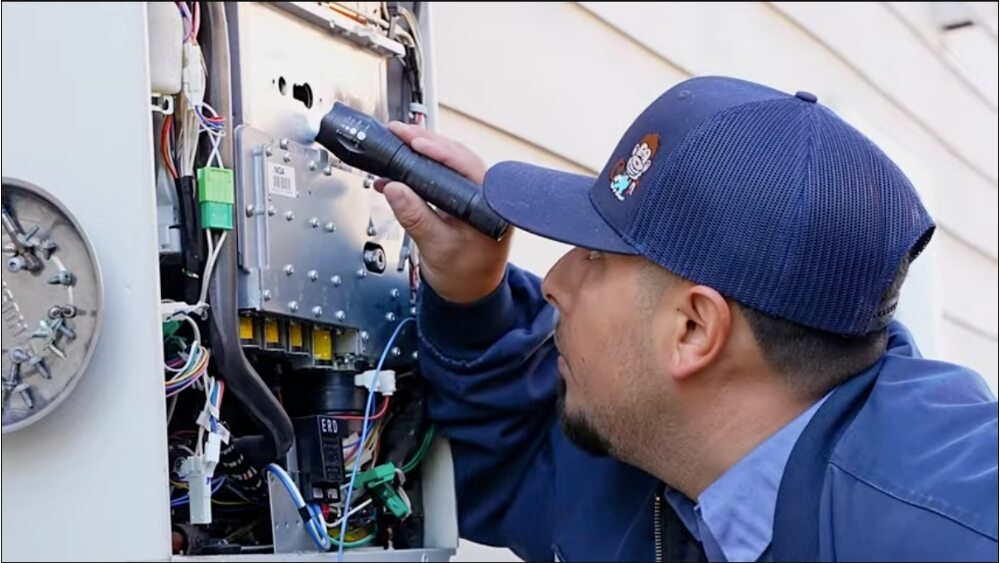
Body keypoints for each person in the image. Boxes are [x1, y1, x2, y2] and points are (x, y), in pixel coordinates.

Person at [375, 76, 998, 562]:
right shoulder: (666, 449)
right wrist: (473, 293)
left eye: (595, 256)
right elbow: (519, 459)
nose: (557, 282)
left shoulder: (956, 529)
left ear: (695, 330)